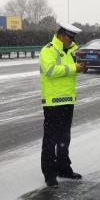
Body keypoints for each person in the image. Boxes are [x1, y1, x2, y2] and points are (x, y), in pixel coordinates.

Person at [39, 22, 87, 187]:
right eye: (69, 37)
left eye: (73, 38)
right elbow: (51, 71)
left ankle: (64, 168)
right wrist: (74, 68)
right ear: (61, 35)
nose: (71, 41)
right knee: (50, 140)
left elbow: (72, 72)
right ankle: (49, 174)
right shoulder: (48, 50)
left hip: (68, 100)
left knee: (64, 139)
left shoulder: (72, 51)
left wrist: (81, 68)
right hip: (53, 102)